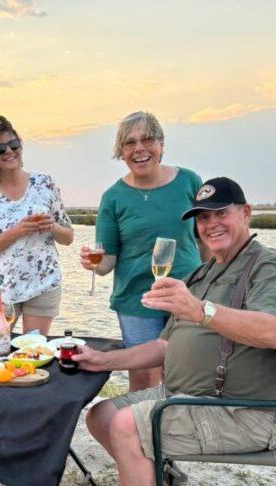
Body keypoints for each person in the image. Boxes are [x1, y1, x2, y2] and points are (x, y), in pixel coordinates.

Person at [73, 177, 276, 486]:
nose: (211, 224)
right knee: (101, 415)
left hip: (242, 412)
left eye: (222, 213)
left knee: (128, 424)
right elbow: (163, 346)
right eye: (202, 217)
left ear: (246, 213)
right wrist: (103, 360)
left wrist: (201, 311)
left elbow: (273, 331)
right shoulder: (206, 271)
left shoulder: (268, 264)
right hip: (191, 397)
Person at [80, 111, 204, 392]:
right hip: (137, 302)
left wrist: (215, 283)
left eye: (147, 139)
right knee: (144, 379)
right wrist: (92, 263)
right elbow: (107, 260)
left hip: (188, 295)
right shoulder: (113, 197)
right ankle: (143, 434)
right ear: (121, 152)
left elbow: (207, 240)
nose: (139, 149)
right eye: (129, 143)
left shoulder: (189, 182)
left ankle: (182, 432)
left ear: (161, 144)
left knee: (189, 373)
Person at [0, 116, 73, 334]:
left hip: (44, 284)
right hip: (2, 290)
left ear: (21, 147)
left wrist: (52, 226)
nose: (9, 151)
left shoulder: (45, 183)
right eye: (0, 149)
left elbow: (68, 237)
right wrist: (16, 232)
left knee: (34, 356)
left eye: (14, 144)